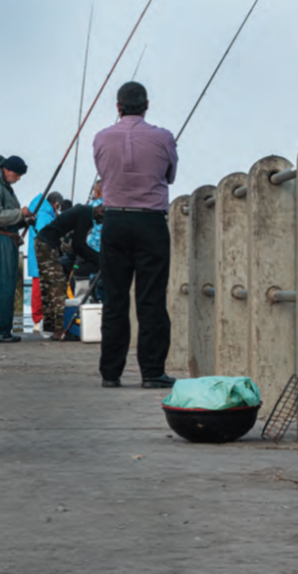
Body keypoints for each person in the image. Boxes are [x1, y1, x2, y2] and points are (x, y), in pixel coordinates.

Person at [93, 81, 178, 389]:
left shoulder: (101, 138)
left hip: (114, 221)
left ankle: (111, 373)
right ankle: (153, 372)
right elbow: (169, 175)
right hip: (151, 222)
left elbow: (105, 174)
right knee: (151, 299)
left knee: (115, 299)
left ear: (118, 106)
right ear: (146, 105)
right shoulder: (163, 137)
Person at [0, 155, 33, 343]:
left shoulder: (5, 188)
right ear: (7, 170)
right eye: (17, 174)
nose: (18, 178)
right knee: (5, 282)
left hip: (8, 238)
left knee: (9, 283)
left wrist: (25, 219)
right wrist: (21, 213)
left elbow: (8, 216)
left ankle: (3, 328)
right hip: (1, 238)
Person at [34, 204, 104, 341]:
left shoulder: (83, 211)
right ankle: (60, 330)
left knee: (48, 286)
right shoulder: (86, 215)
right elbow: (78, 245)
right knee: (58, 286)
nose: (99, 223)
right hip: (47, 245)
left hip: (43, 243)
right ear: (100, 210)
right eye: (102, 219)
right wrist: (99, 259)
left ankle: (50, 328)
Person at [25, 191, 63, 336]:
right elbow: (45, 235)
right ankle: (38, 320)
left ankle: (38, 320)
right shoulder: (45, 215)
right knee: (40, 290)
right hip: (43, 257)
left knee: (38, 289)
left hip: (37, 256)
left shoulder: (38, 211)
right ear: (56, 204)